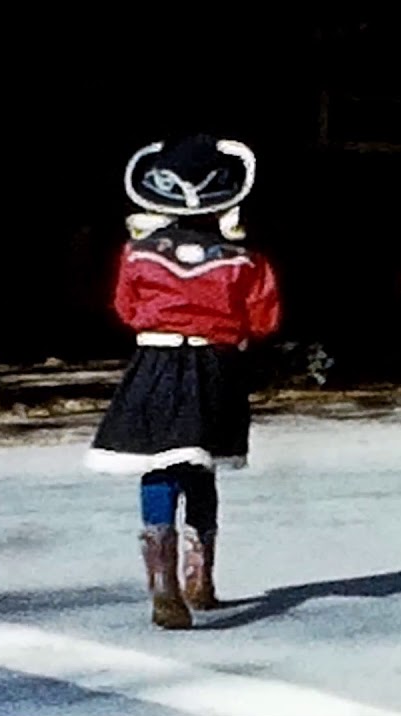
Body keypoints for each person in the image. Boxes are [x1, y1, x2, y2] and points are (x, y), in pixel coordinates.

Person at [84, 134, 282, 630]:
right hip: (215, 368)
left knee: (157, 465)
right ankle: (201, 579)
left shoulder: (138, 254)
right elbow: (264, 320)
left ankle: (162, 585)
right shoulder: (246, 260)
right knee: (201, 467)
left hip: (154, 363)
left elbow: (127, 310)